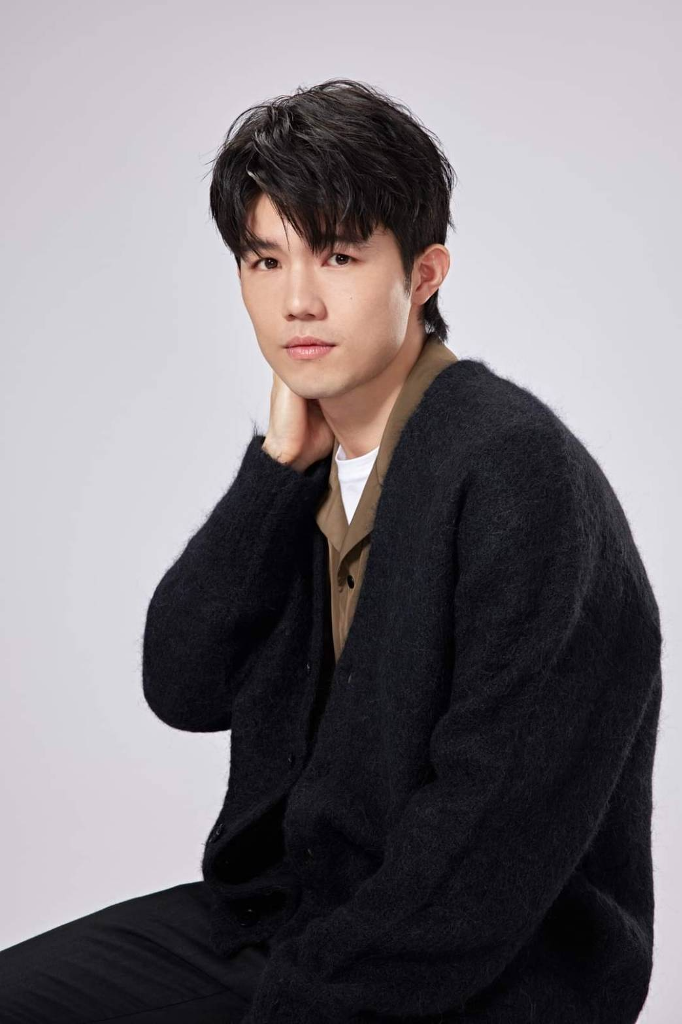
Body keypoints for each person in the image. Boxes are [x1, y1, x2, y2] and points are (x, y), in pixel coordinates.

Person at [0, 78, 662, 1024]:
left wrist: (303, 1003)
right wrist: (274, 472)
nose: (297, 301)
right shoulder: (311, 467)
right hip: (290, 919)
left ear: (423, 274)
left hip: (487, 972)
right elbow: (181, 684)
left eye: (339, 255)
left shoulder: (516, 474)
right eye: (265, 260)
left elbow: (489, 846)